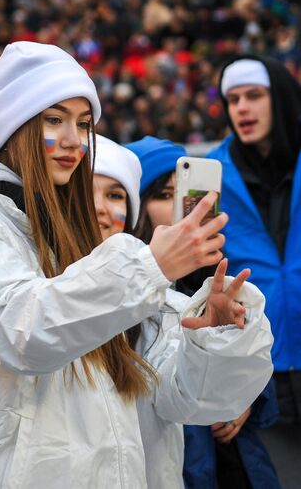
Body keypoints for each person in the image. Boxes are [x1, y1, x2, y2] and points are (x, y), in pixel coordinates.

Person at [0, 41, 252, 487]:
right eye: (54, 120)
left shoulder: (81, 247)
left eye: (83, 123)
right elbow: (21, 330)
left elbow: (178, 399)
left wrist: (212, 339)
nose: (73, 140)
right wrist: (150, 267)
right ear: (15, 127)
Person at [95, 135, 277, 489]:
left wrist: (243, 398)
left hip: (229, 462)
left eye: (188, 192)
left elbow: (257, 368)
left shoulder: (217, 274)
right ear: (137, 207)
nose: (185, 206)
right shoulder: (109, 291)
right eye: (165, 195)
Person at [206, 55, 301, 488]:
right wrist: (232, 389)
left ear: (279, 98)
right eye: (233, 99)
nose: (241, 108)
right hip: (261, 382)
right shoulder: (212, 177)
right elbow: (200, 285)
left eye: (254, 96)